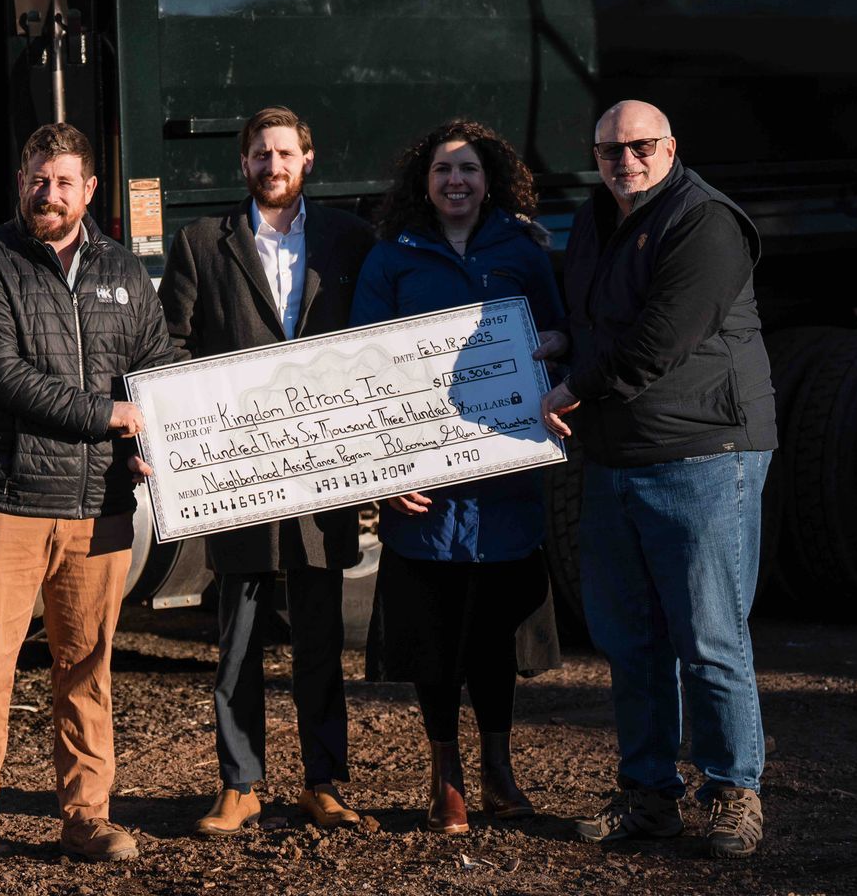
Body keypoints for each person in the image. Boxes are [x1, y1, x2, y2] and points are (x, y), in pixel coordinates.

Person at [0, 122, 172, 879]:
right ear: (22, 179)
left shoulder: (125, 273)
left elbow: (154, 369)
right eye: (39, 178)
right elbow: (1, 374)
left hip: (98, 505)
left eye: (65, 181)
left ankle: (86, 819)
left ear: (89, 190)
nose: (50, 194)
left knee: (87, 669)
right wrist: (107, 417)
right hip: (5, 500)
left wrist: (148, 442)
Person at [541, 99, 776, 860]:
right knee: (630, 640)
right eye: (610, 150)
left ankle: (735, 792)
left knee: (709, 637)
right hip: (617, 457)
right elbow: (595, 320)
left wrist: (571, 385)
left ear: (672, 147)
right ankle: (650, 796)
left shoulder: (705, 222)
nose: (625, 161)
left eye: (642, 147)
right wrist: (552, 343)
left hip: (703, 453)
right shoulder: (593, 218)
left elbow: (658, 340)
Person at [158, 106, 377, 837]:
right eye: (259, 154)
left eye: (284, 153)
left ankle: (324, 782)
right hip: (239, 470)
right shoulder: (201, 244)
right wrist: (203, 423)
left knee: (319, 634)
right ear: (243, 164)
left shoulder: (349, 239)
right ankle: (239, 783)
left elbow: (381, 339)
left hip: (323, 466)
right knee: (240, 635)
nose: (272, 165)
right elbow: (174, 349)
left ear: (307, 159)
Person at [348, 119, 567, 835]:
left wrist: (551, 353)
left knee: (495, 637)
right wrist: (384, 471)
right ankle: (447, 777)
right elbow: (364, 370)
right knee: (434, 638)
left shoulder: (523, 250)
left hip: (503, 480)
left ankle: (498, 770)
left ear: (489, 178)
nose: (456, 182)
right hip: (427, 492)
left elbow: (563, 335)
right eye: (443, 171)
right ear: (424, 182)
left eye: (468, 169)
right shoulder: (393, 259)